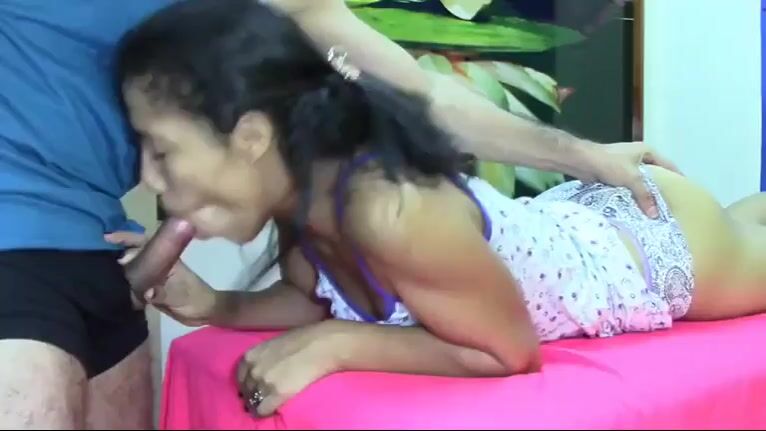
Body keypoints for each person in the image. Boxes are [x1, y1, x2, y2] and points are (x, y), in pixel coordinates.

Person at [0, 0, 672, 428]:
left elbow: (415, 95)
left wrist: (585, 155)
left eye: (163, 152)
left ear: (252, 136)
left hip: (633, 250)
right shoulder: (308, 215)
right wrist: (218, 304)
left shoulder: (383, 207)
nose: (150, 176)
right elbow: (322, 299)